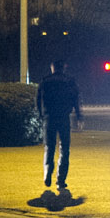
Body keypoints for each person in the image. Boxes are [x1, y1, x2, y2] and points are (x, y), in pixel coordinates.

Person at [36, 59, 84, 189]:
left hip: (49, 117)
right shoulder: (69, 81)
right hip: (64, 117)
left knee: (49, 147)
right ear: (64, 68)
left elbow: (38, 99)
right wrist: (79, 116)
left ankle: (47, 172)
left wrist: (41, 114)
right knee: (64, 149)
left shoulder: (45, 81)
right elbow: (76, 99)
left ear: (52, 68)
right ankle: (61, 179)